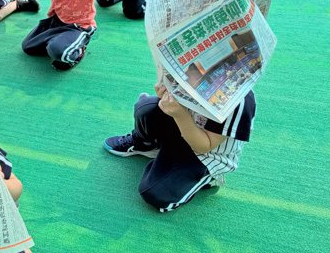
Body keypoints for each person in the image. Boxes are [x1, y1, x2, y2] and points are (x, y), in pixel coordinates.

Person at [103, 83, 256, 212]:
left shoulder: (239, 99)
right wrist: (165, 94)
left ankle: (208, 176)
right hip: (180, 124)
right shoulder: (195, 68)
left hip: (206, 154)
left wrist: (180, 115)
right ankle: (147, 145)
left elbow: (205, 146)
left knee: (157, 194)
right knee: (146, 107)